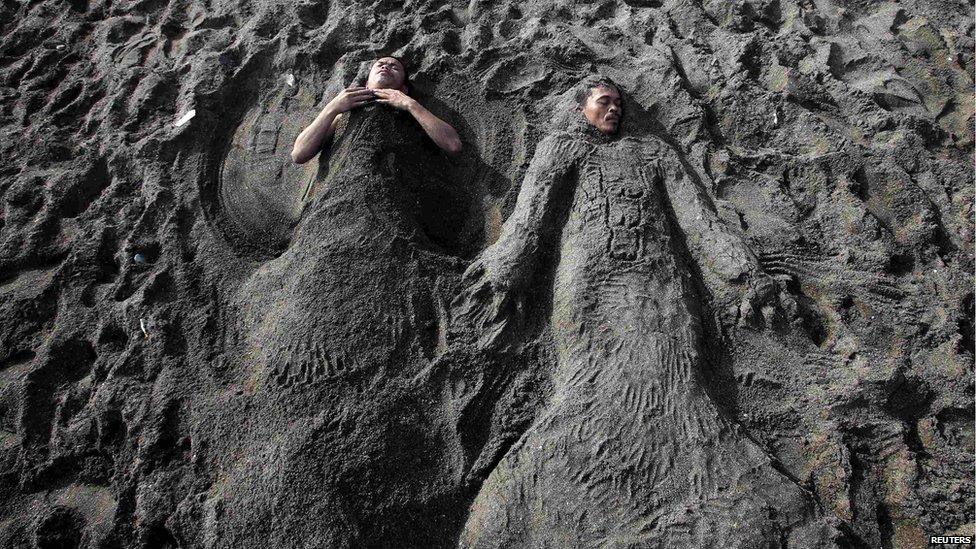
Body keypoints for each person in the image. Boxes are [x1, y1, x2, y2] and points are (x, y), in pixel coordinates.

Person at [452, 77, 835, 547]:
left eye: (619, 103)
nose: (614, 110)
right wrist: (507, 267)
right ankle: (547, 509)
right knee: (588, 386)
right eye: (603, 102)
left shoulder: (655, 152)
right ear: (581, 108)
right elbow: (531, 215)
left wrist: (742, 273)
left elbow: (698, 220)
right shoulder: (561, 149)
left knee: (675, 382)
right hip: (589, 285)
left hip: (658, 285)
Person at [291, 56, 461, 164]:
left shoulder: (413, 111)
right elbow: (299, 154)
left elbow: (453, 145)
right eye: (380, 64)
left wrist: (411, 105)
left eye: (394, 67)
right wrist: (332, 108)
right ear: (367, 83)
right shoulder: (345, 113)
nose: (385, 67)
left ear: (403, 88)